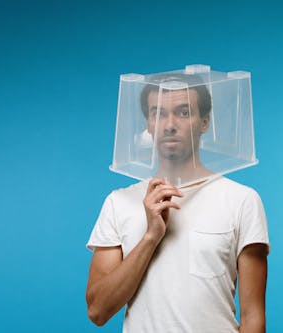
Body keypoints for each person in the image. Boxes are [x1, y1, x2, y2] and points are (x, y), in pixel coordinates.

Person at [85, 74, 270, 332]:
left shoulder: (242, 200)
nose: (169, 124)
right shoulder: (119, 203)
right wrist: (150, 237)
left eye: (183, 113)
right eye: (158, 113)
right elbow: (97, 311)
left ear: (204, 122)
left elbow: (253, 318)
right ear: (148, 124)